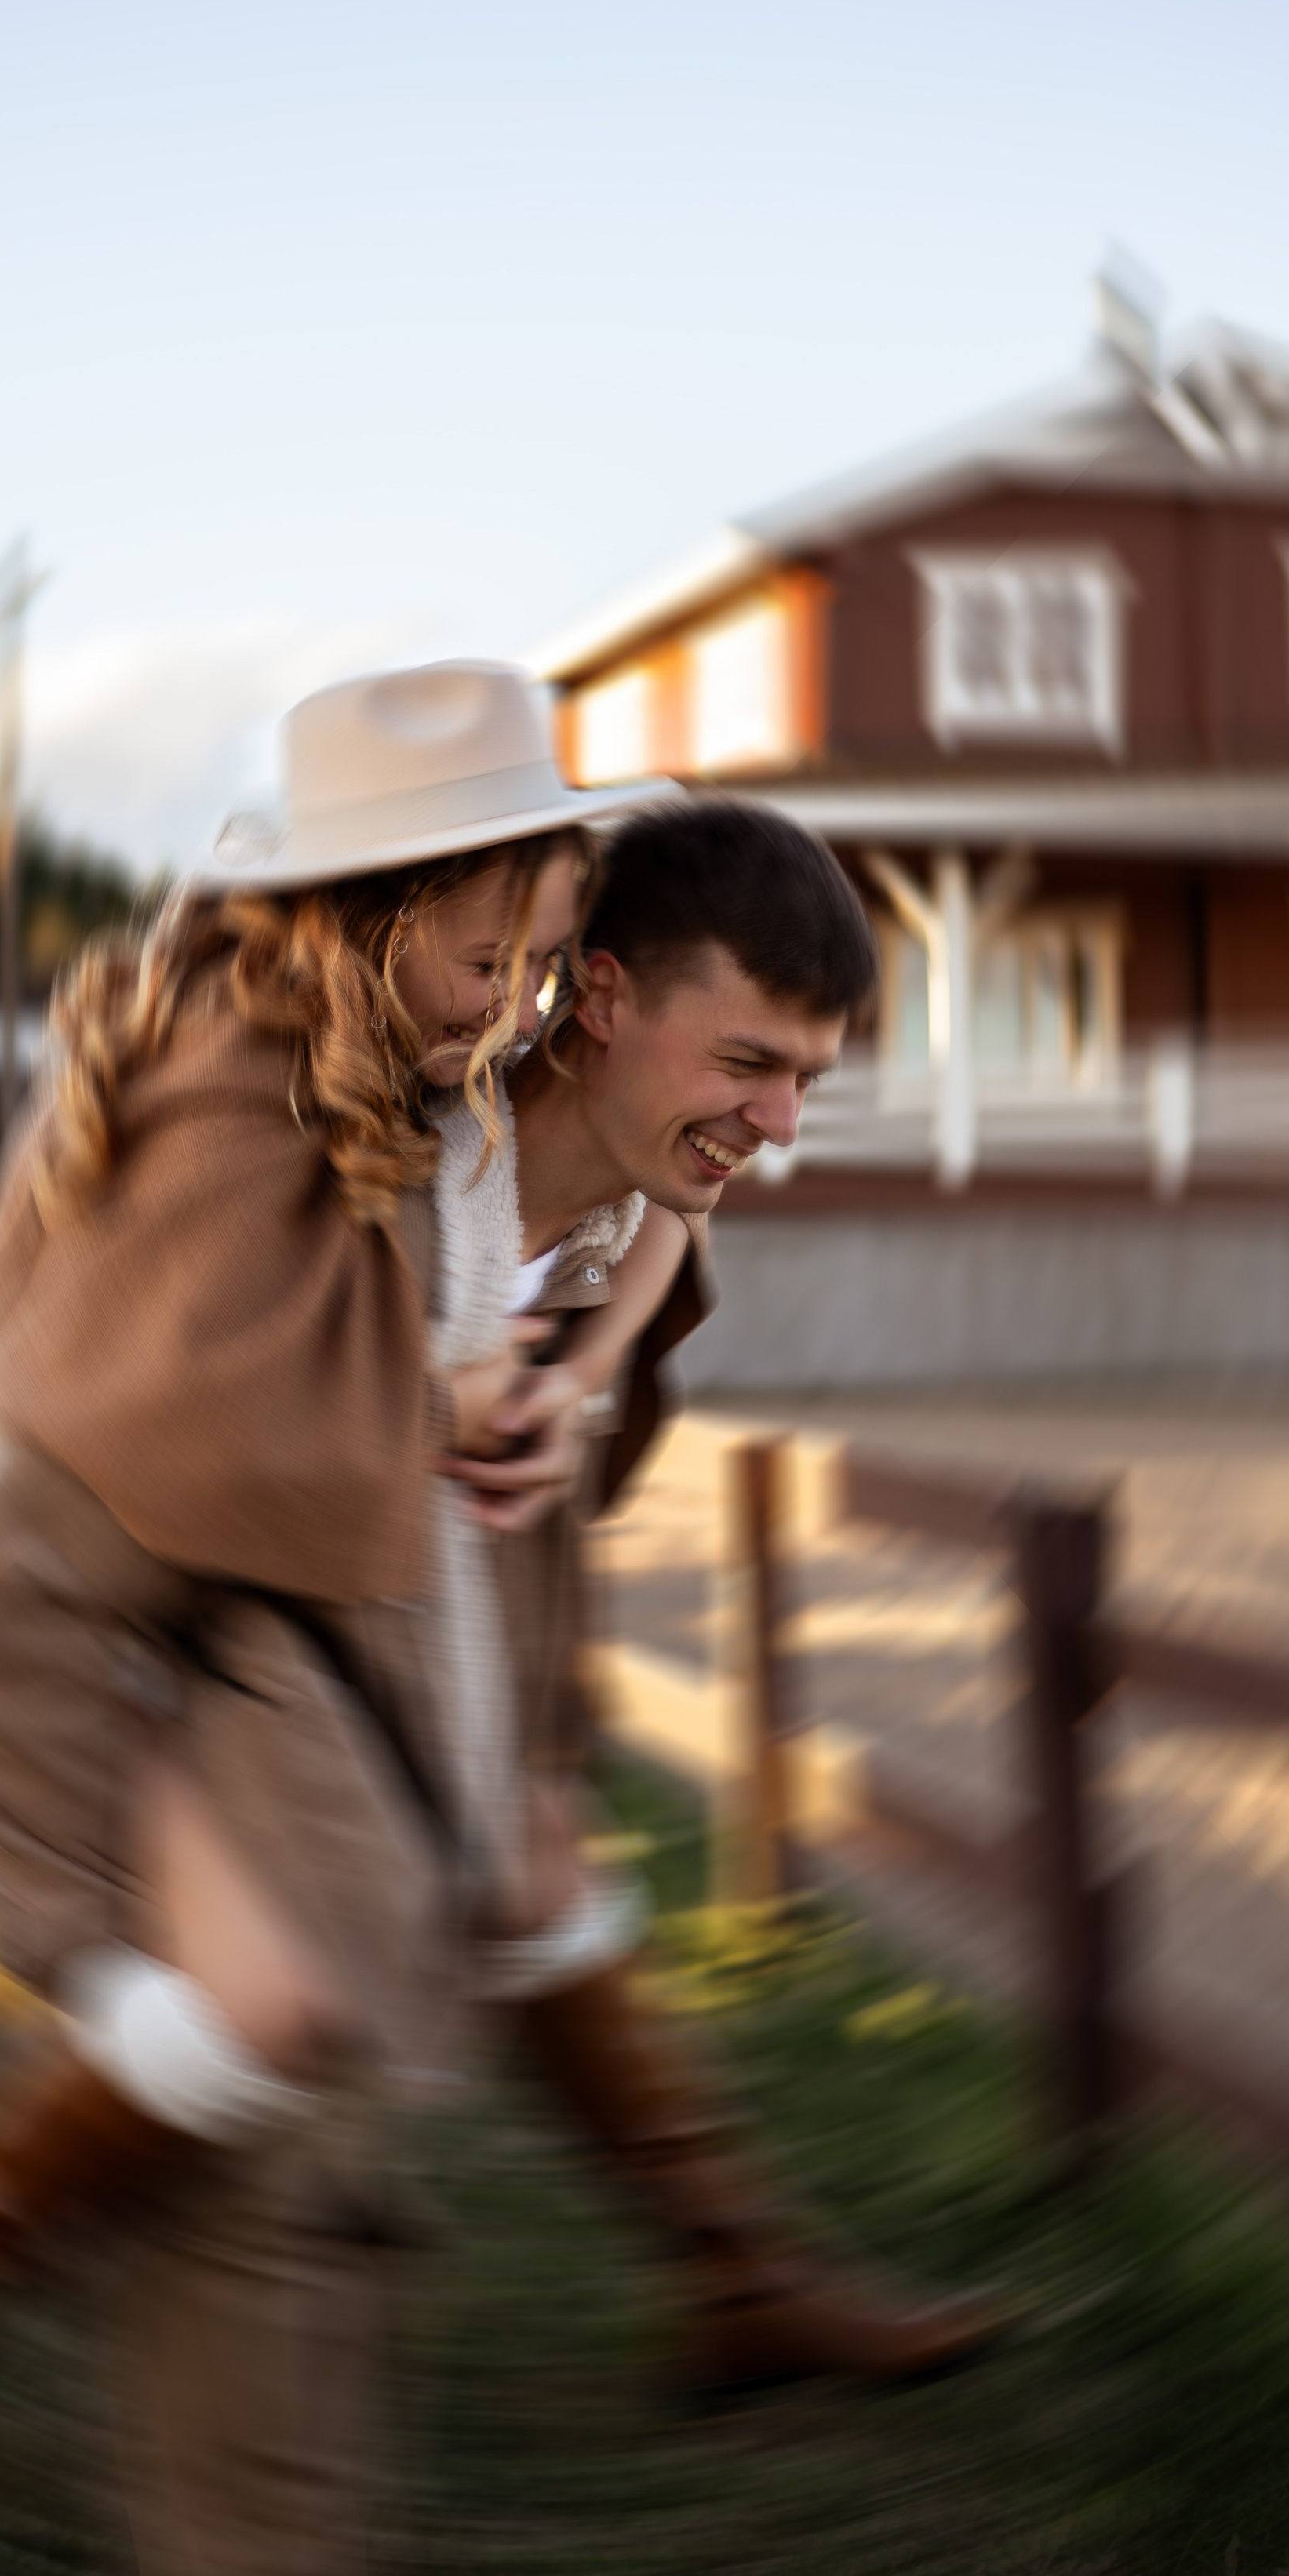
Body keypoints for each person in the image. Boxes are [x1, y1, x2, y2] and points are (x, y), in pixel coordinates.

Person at [0, 659, 668, 2576]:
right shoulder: (225, 1059)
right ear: (365, 913)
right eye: (480, 955)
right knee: (255, 2020)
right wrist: (445, 1408)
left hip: (135, 1622)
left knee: (288, 2034)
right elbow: (187, 1403)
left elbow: (407, 1340)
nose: (507, 1003)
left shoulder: (370, 1073)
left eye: (542, 956)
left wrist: (536, 1380)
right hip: (0, 1631)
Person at [439, 793, 1010, 2396]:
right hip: (220, 1623)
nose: (777, 1126)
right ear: (601, 996)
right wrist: (470, 1407)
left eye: (805, 1080)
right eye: (748, 1066)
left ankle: (737, 2276)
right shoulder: (431, 1161)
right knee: (304, 1973)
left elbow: (668, 1212)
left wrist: (580, 1381)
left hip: (450, 1608)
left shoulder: (631, 1163)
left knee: (524, 1873)